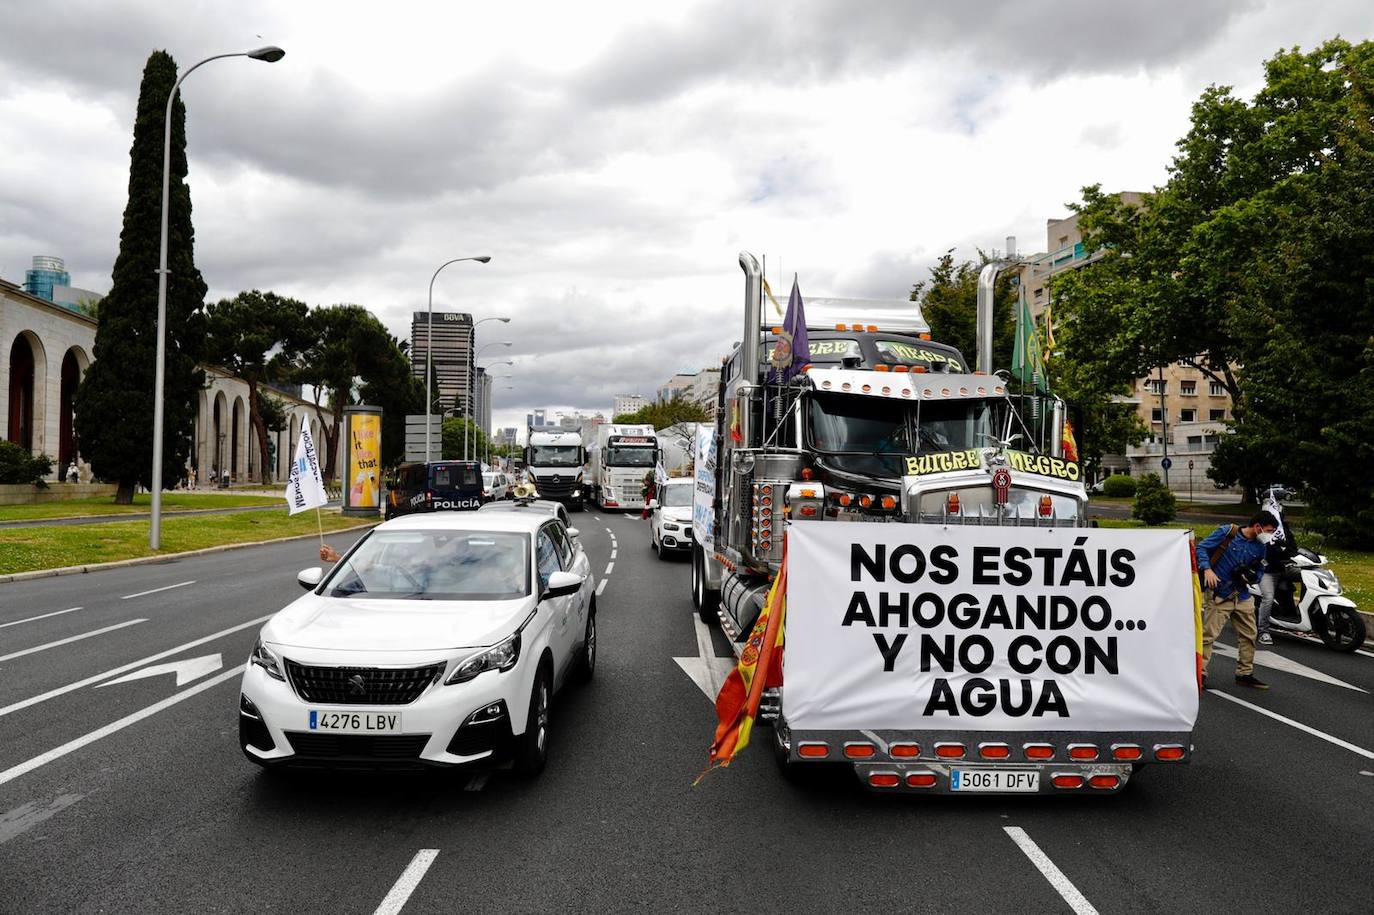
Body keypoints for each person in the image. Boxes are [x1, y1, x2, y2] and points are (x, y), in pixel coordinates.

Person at [1198, 511, 1280, 690]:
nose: (1271, 534)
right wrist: (1207, 570)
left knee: (1250, 635)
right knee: (1208, 636)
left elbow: (1259, 569)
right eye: (1269, 530)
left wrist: (1251, 578)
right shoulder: (1228, 532)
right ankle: (1199, 674)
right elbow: (1201, 548)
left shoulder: (1261, 546)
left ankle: (1245, 674)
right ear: (1257, 526)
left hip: (1242, 595)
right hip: (1220, 594)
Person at [1256, 516, 1299, 646]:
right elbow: (1264, 554)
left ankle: (1298, 618)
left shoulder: (1283, 531)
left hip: (1285, 569)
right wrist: (1276, 549)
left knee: (1306, 581)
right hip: (1267, 571)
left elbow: (1293, 549)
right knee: (1268, 597)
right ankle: (1263, 631)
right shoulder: (1259, 536)